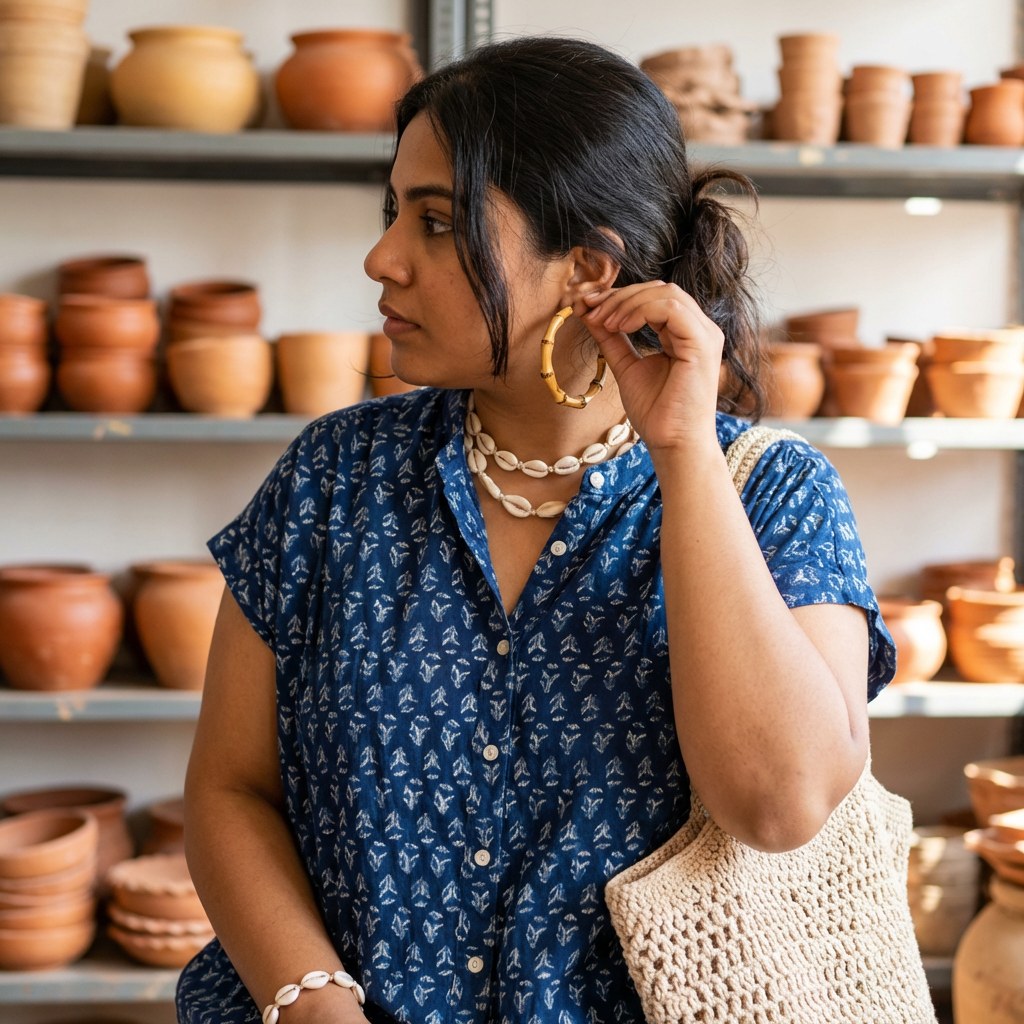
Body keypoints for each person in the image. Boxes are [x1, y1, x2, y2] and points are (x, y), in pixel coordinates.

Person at [176, 34, 895, 1024]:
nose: (382, 257)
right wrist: (312, 1000)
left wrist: (682, 451)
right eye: (395, 212)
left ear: (584, 268)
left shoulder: (774, 497)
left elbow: (777, 804)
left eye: (435, 222)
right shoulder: (333, 479)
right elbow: (227, 790)